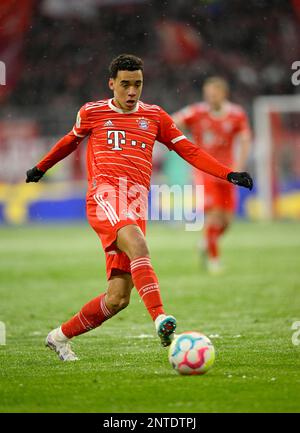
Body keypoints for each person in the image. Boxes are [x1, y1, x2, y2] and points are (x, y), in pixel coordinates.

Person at [26, 55, 253, 361]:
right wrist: (41, 168)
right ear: (112, 84)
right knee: (138, 244)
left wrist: (228, 173)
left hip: (135, 203)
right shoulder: (92, 112)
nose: (132, 91)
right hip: (104, 196)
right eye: (125, 84)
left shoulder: (156, 116)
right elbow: (69, 141)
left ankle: (59, 337)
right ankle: (161, 318)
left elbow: (189, 150)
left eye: (137, 84)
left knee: (118, 298)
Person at [173, 77, 252, 273]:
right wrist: (179, 137)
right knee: (214, 217)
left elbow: (245, 139)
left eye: (213, 94)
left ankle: (205, 242)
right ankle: (214, 261)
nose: (209, 98)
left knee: (227, 221)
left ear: (223, 94)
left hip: (227, 172)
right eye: (207, 94)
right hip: (204, 171)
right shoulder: (197, 111)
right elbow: (172, 121)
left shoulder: (236, 114)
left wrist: (240, 165)